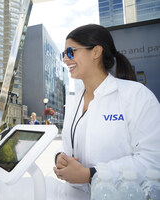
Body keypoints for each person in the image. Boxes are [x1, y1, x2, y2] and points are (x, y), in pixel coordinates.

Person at [53, 24, 160, 200]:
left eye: (70, 52)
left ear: (96, 52)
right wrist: (60, 156)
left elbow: (153, 160)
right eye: (63, 54)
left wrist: (92, 174)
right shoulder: (73, 102)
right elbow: (67, 144)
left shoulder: (136, 96)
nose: (65, 59)